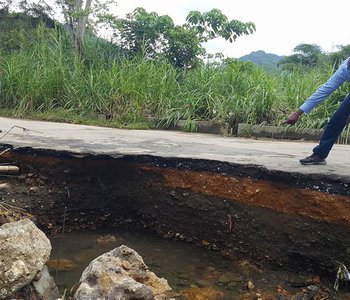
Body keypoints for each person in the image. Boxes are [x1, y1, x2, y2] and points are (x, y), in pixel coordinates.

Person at [284, 57, 350, 165]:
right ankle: (319, 155)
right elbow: (324, 90)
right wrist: (297, 113)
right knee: (337, 120)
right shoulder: (344, 69)